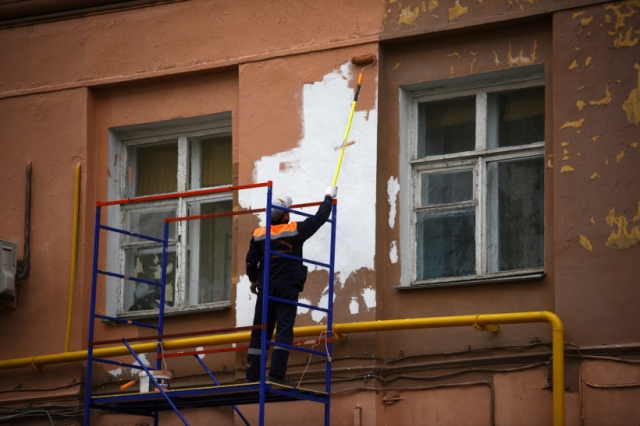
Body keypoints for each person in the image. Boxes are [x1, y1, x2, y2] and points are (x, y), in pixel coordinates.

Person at [245, 186, 337, 385]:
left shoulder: (259, 234)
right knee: (284, 330)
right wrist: (328, 197)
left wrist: (254, 281)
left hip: (266, 287)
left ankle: (252, 376)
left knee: (260, 331)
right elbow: (319, 218)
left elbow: (251, 261)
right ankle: (277, 375)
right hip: (287, 287)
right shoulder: (295, 230)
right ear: (285, 214)